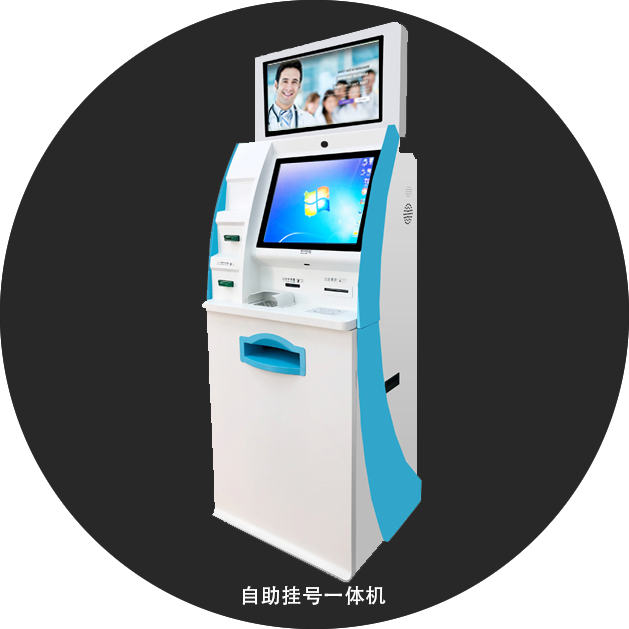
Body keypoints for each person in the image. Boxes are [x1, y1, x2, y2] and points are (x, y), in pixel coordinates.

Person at [268, 60, 316, 131]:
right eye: (285, 81)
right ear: (276, 85)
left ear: (299, 87)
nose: (289, 88)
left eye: (294, 82)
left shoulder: (310, 121)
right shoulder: (259, 120)